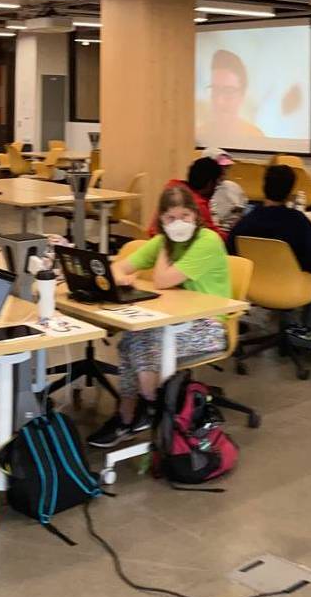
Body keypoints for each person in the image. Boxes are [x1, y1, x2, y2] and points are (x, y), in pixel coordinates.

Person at [89, 184, 232, 449]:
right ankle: (135, 413)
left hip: (210, 326)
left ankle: (147, 407)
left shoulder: (207, 241)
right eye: (170, 219)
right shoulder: (162, 240)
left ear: (195, 216)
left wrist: (164, 247)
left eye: (185, 217)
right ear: (161, 220)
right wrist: (120, 274)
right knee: (131, 340)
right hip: (172, 320)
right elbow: (117, 267)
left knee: (139, 343)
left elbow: (163, 280)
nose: (179, 224)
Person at [227, 165, 311, 330]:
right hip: (293, 290)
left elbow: (231, 254)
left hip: (253, 289)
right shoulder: (298, 222)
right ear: (291, 192)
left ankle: (286, 324)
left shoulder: (246, 221)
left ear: (263, 187)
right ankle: (306, 331)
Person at [148, 156, 223, 238]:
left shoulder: (173, 190)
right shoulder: (197, 204)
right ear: (210, 184)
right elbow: (214, 237)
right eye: (216, 184)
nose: (215, 189)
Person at [203, 49, 264, 141]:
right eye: (215, 90)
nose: (219, 101)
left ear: (242, 96)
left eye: (228, 91)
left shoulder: (256, 137)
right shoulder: (199, 134)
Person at [203, 148, 249, 230]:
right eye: (220, 167)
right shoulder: (200, 190)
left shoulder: (233, 188)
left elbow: (242, 212)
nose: (223, 170)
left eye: (226, 167)